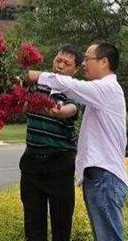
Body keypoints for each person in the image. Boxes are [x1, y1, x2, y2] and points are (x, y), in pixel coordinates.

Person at [26, 42, 128, 241]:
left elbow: (72, 87)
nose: (84, 65)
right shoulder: (104, 91)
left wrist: (37, 76)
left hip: (104, 177)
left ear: (104, 62)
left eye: (88, 59)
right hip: (99, 176)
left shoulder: (106, 89)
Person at [20, 44, 82, 241]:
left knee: (61, 228)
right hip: (32, 165)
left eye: (67, 63)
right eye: (58, 61)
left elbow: (72, 109)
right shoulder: (37, 83)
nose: (61, 66)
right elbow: (19, 83)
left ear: (76, 69)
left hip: (60, 167)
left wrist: (62, 112)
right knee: (33, 227)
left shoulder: (76, 90)